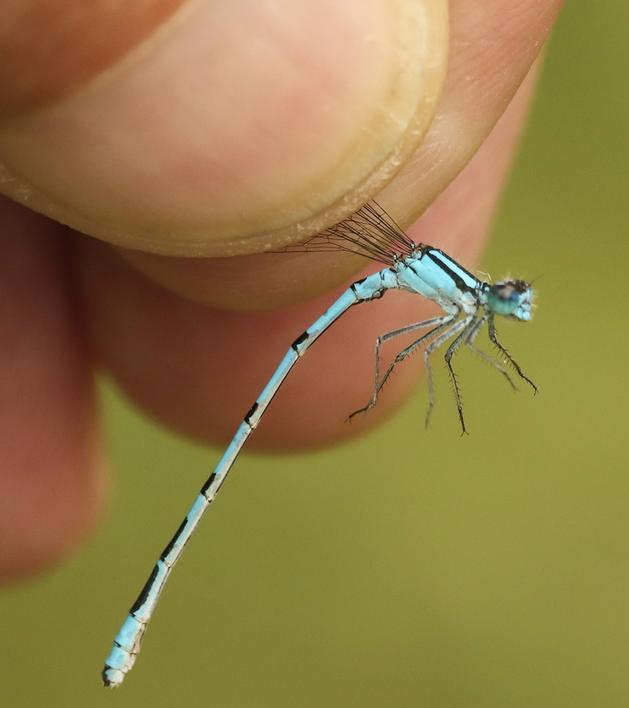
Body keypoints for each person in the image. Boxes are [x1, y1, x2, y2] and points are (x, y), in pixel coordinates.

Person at [0, 0, 563, 578]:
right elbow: (397, 346)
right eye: (506, 298)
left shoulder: (465, 308)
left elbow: (426, 344)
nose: (506, 302)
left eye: (508, 300)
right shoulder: (460, 300)